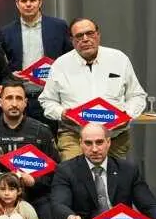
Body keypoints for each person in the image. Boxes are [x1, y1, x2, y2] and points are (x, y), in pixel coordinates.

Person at [39, 18, 147, 160]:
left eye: (90, 33)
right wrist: (61, 113)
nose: (85, 39)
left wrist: (127, 115)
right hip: (75, 135)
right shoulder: (60, 65)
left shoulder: (119, 59)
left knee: (116, 174)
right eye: (79, 36)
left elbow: (137, 95)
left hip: (114, 136)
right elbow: (47, 100)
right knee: (73, 172)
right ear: (72, 40)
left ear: (98, 35)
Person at [0, 80, 60, 219]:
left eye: (19, 98)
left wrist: (35, 182)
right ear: (0, 102)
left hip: (35, 197)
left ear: (26, 102)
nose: (14, 103)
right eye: (9, 98)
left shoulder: (42, 131)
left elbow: (56, 171)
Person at [0, 0, 72, 127]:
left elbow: (70, 57)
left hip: (50, 96)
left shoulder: (58, 26)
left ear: (40, 2)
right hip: (19, 98)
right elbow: (0, 66)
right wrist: (11, 75)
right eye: (24, 1)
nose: (28, 5)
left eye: (32, 0)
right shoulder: (6, 32)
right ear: (17, 4)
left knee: (48, 137)